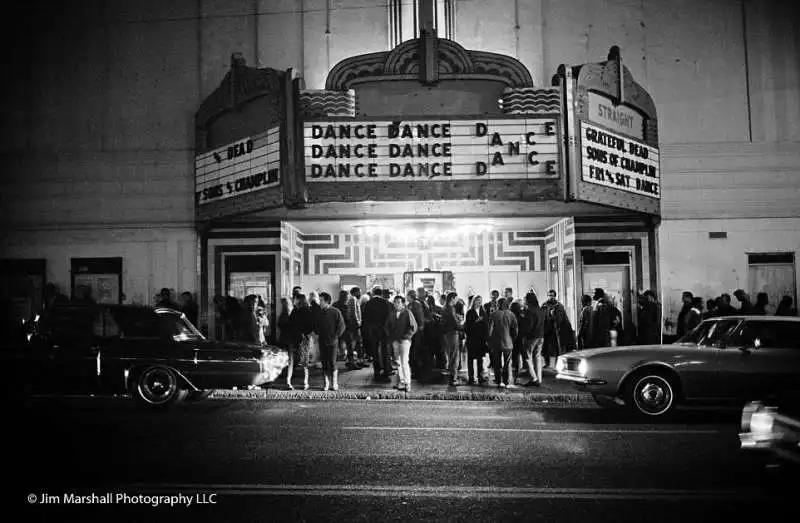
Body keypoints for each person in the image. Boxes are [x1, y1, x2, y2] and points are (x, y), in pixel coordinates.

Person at [385, 295, 418, 392]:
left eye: (399, 302)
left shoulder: (407, 313)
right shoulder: (392, 314)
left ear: (403, 303)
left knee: (404, 361)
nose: (396, 304)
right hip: (395, 340)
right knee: (398, 362)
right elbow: (387, 326)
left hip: (404, 341)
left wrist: (407, 337)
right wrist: (391, 336)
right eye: (395, 302)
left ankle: (407, 383)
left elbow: (413, 327)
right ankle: (402, 381)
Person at [315, 292, 346, 391]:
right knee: (324, 361)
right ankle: (326, 383)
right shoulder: (319, 312)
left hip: (333, 341)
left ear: (327, 301)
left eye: (321, 300)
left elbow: (341, 326)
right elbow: (316, 325)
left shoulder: (335, 312)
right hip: (322, 340)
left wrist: (336, 336)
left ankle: (334, 383)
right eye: (319, 300)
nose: (319, 302)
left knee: (332, 362)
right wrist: (317, 332)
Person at [363, 287, 393, 382]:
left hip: (373, 330)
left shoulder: (368, 303)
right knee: (385, 351)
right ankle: (386, 372)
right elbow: (389, 317)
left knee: (374, 350)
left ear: (373, 293)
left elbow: (365, 318)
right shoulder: (386, 303)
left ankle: (376, 372)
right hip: (384, 329)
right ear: (381, 293)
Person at [488, 298, 518, 389]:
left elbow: (490, 330)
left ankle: (499, 381)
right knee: (507, 363)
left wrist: (489, 340)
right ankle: (507, 381)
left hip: (496, 342)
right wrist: (512, 339)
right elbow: (515, 330)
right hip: (508, 342)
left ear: (498, 304)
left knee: (497, 362)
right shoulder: (511, 314)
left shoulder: (494, 314)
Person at [287, 293, 314, 390]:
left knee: (298, 361)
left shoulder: (301, 310)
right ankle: (302, 383)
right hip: (299, 338)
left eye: (295, 299)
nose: (294, 300)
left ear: (299, 300)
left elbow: (310, 325)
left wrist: (303, 333)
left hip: (300, 338)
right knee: (302, 361)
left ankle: (301, 382)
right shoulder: (300, 310)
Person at [519, 292, 544, 387]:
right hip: (540, 336)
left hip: (531, 337)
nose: (524, 300)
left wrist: (524, 333)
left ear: (529, 300)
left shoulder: (530, 311)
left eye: (525, 299)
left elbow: (529, 326)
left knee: (527, 357)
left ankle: (534, 378)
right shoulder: (541, 310)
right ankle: (539, 379)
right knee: (537, 357)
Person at [543, 289, 573, 366]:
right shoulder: (544, 305)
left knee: (557, 348)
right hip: (547, 330)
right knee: (546, 347)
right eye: (549, 295)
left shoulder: (559, 306)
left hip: (557, 330)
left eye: (552, 295)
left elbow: (561, 319)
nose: (551, 297)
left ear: (555, 296)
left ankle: (557, 363)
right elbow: (542, 316)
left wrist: (553, 315)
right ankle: (547, 362)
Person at [465, 295, 489, 385]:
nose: (479, 302)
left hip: (481, 339)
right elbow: (467, 326)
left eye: (480, 300)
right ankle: (471, 377)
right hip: (472, 339)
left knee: (480, 359)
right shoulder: (469, 312)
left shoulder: (483, 311)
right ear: (474, 301)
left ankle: (480, 376)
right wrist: (476, 321)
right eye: (477, 300)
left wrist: (486, 337)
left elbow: (486, 325)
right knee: (471, 359)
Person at [441, 292, 463, 386]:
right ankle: (453, 379)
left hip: (447, 333)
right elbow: (455, 323)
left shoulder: (444, 307)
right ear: (452, 299)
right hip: (453, 333)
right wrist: (463, 326)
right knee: (454, 356)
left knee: (451, 355)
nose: (456, 301)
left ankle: (452, 376)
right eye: (455, 299)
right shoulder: (451, 308)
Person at [407, 290, 426, 378]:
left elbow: (419, 317)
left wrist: (420, 327)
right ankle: (414, 371)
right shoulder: (411, 304)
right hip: (413, 331)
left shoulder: (415, 304)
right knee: (413, 351)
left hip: (416, 331)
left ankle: (416, 371)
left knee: (415, 351)